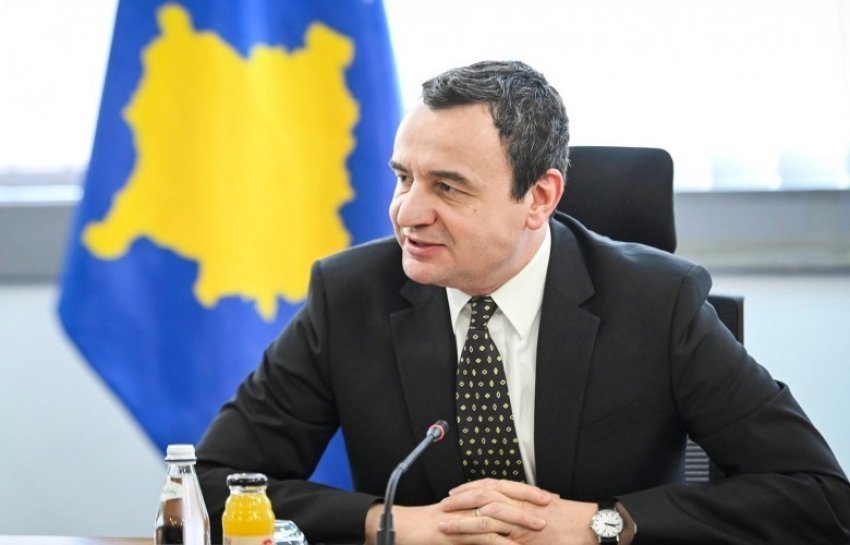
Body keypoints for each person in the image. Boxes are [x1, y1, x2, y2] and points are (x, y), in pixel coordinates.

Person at [196, 60, 850, 545]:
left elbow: (818, 497)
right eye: (403, 177)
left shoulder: (657, 303)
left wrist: (604, 524)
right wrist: (390, 524)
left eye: (448, 187)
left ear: (539, 198)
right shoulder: (350, 295)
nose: (407, 213)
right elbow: (213, 481)